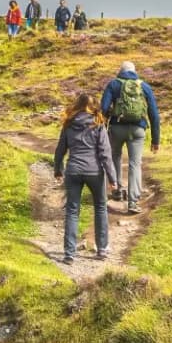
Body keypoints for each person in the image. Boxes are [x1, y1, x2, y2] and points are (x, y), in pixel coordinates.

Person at [52, 92, 119, 264]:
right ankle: (102, 249)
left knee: (72, 211)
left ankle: (69, 254)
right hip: (94, 172)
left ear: (77, 105)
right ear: (93, 106)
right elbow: (105, 154)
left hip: (73, 170)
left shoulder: (68, 124)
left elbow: (60, 149)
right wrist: (113, 179)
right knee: (100, 208)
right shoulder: (98, 124)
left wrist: (58, 170)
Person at [100, 61, 160, 213]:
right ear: (135, 71)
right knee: (135, 164)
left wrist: (101, 129)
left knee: (114, 157)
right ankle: (133, 202)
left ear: (120, 71)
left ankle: (117, 190)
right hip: (138, 129)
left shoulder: (113, 84)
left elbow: (104, 108)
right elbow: (154, 114)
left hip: (116, 128)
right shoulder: (144, 86)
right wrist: (155, 140)